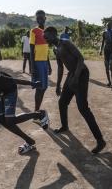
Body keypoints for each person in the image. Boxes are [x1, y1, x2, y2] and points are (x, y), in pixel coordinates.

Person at [43, 26, 106, 154]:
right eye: (44, 37)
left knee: (83, 108)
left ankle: (100, 140)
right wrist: (58, 85)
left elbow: (80, 59)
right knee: (62, 102)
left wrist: (76, 78)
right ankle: (65, 126)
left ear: (54, 34)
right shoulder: (56, 49)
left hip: (81, 73)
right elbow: (60, 68)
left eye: (47, 36)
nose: (45, 39)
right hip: (72, 74)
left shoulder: (66, 43)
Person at [0, 62, 49, 154]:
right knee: (1, 120)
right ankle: (29, 141)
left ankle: (39, 114)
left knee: (10, 120)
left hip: (9, 91)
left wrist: (33, 83)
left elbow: (15, 80)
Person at [30, 10, 52, 114]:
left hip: (44, 63)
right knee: (39, 88)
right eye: (37, 18)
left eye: (41, 18)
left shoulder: (47, 32)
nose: (39, 19)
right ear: (36, 19)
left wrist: (49, 65)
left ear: (45, 18)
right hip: (37, 63)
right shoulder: (34, 31)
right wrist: (32, 66)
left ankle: (37, 110)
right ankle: (36, 112)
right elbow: (31, 50)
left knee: (44, 87)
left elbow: (46, 50)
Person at [99, 22, 112, 88]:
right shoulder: (104, 33)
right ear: (106, 26)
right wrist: (100, 50)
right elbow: (103, 42)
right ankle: (109, 82)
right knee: (106, 67)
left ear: (111, 26)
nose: (108, 26)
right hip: (106, 51)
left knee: (111, 67)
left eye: (109, 25)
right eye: (107, 25)